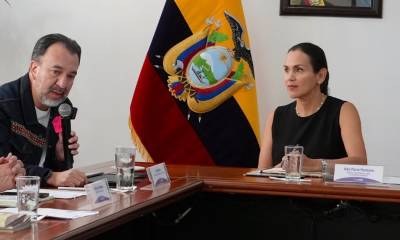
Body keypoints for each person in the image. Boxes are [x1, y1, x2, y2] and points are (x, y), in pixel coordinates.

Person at [258, 42, 367, 173]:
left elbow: (360, 163)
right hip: (281, 191)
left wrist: (314, 165)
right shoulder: (276, 115)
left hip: (326, 192)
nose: (290, 77)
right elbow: (262, 172)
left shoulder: (344, 110)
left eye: (299, 70)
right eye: (286, 70)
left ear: (320, 76)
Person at [0, 33, 87, 187]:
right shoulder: (4, 104)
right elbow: (5, 171)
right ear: (34, 69)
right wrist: (50, 176)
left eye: (70, 76)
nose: (62, 84)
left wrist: (60, 158)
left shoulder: (62, 107)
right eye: (56, 72)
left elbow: (58, 174)